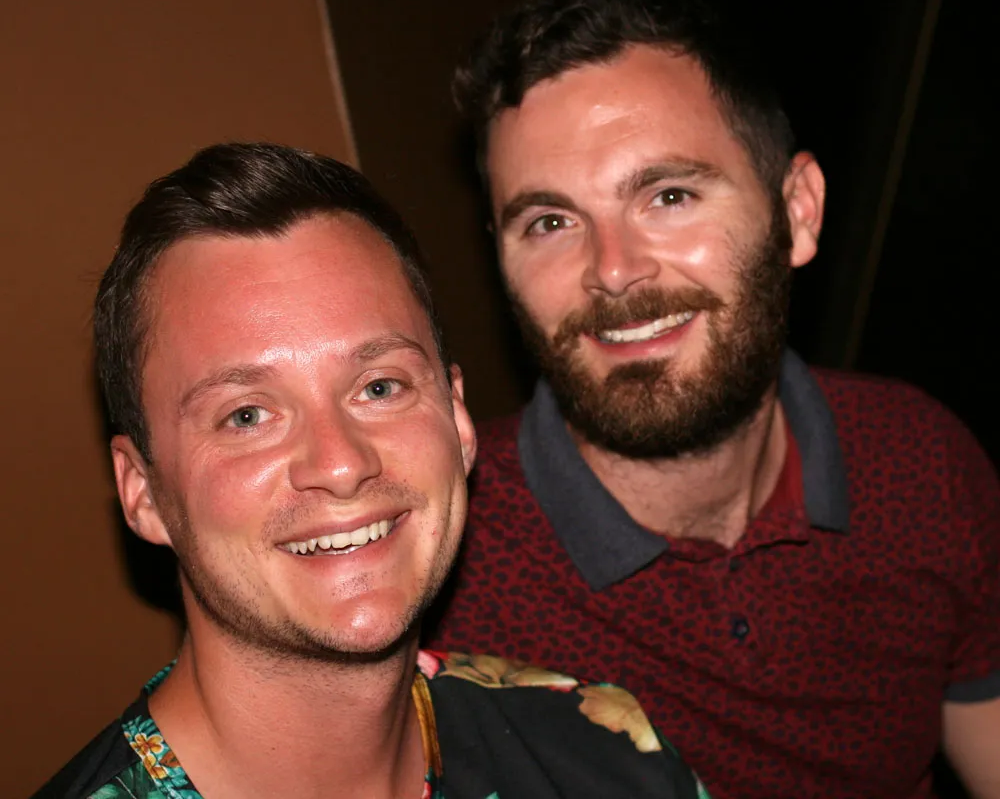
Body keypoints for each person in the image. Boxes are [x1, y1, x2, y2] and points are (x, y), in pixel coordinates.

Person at [423, 0, 1000, 798]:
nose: (614, 269)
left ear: (797, 211)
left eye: (669, 196)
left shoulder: (918, 459)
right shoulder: (441, 560)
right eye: (550, 222)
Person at [33, 143, 709, 799]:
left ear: (458, 420)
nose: (341, 463)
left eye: (380, 387)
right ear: (143, 491)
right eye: (247, 416)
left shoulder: (609, 751)